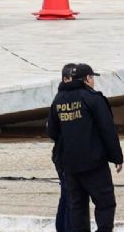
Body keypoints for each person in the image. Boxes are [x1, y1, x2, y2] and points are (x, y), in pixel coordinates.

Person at [47, 63, 124, 232]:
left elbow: (52, 131)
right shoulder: (93, 98)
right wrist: (117, 157)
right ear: (87, 79)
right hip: (94, 163)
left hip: (70, 165)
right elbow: (107, 130)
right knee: (105, 203)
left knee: (78, 207)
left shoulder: (58, 100)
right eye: (92, 78)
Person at [51, 63, 76, 232]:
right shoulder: (63, 99)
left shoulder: (58, 99)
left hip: (61, 155)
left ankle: (62, 227)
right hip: (65, 156)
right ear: (65, 79)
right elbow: (51, 130)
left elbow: (51, 130)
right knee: (70, 196)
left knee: (66, 195)